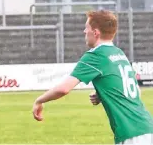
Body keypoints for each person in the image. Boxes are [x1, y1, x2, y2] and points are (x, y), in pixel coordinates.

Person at [32, 10, 153, 144]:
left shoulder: (95, 55)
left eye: (86, 28)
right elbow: (136, 91)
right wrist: (103, 94)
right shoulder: (118, 53)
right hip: (147, 127)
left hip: (133, 136)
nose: (84, 31)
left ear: (95, 32)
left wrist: (39, 100)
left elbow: (64, 89)